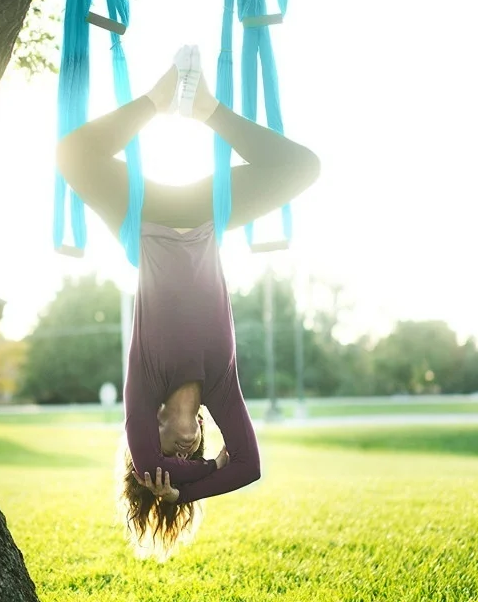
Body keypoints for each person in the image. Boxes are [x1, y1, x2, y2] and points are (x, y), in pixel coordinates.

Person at [56, 46, 320, 558]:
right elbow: (250, 465)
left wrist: (175, 481)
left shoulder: (144, 384)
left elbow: (151, 457)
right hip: (205, 216)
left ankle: (157, 100)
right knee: (300, 167)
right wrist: (198, 483)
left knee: (71, 155)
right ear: (202, 433)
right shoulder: (221, 387)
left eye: (163, 458)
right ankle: (207, 110)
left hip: (144, 216)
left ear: (153, 431)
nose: (181, 452)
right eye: (192, 450)